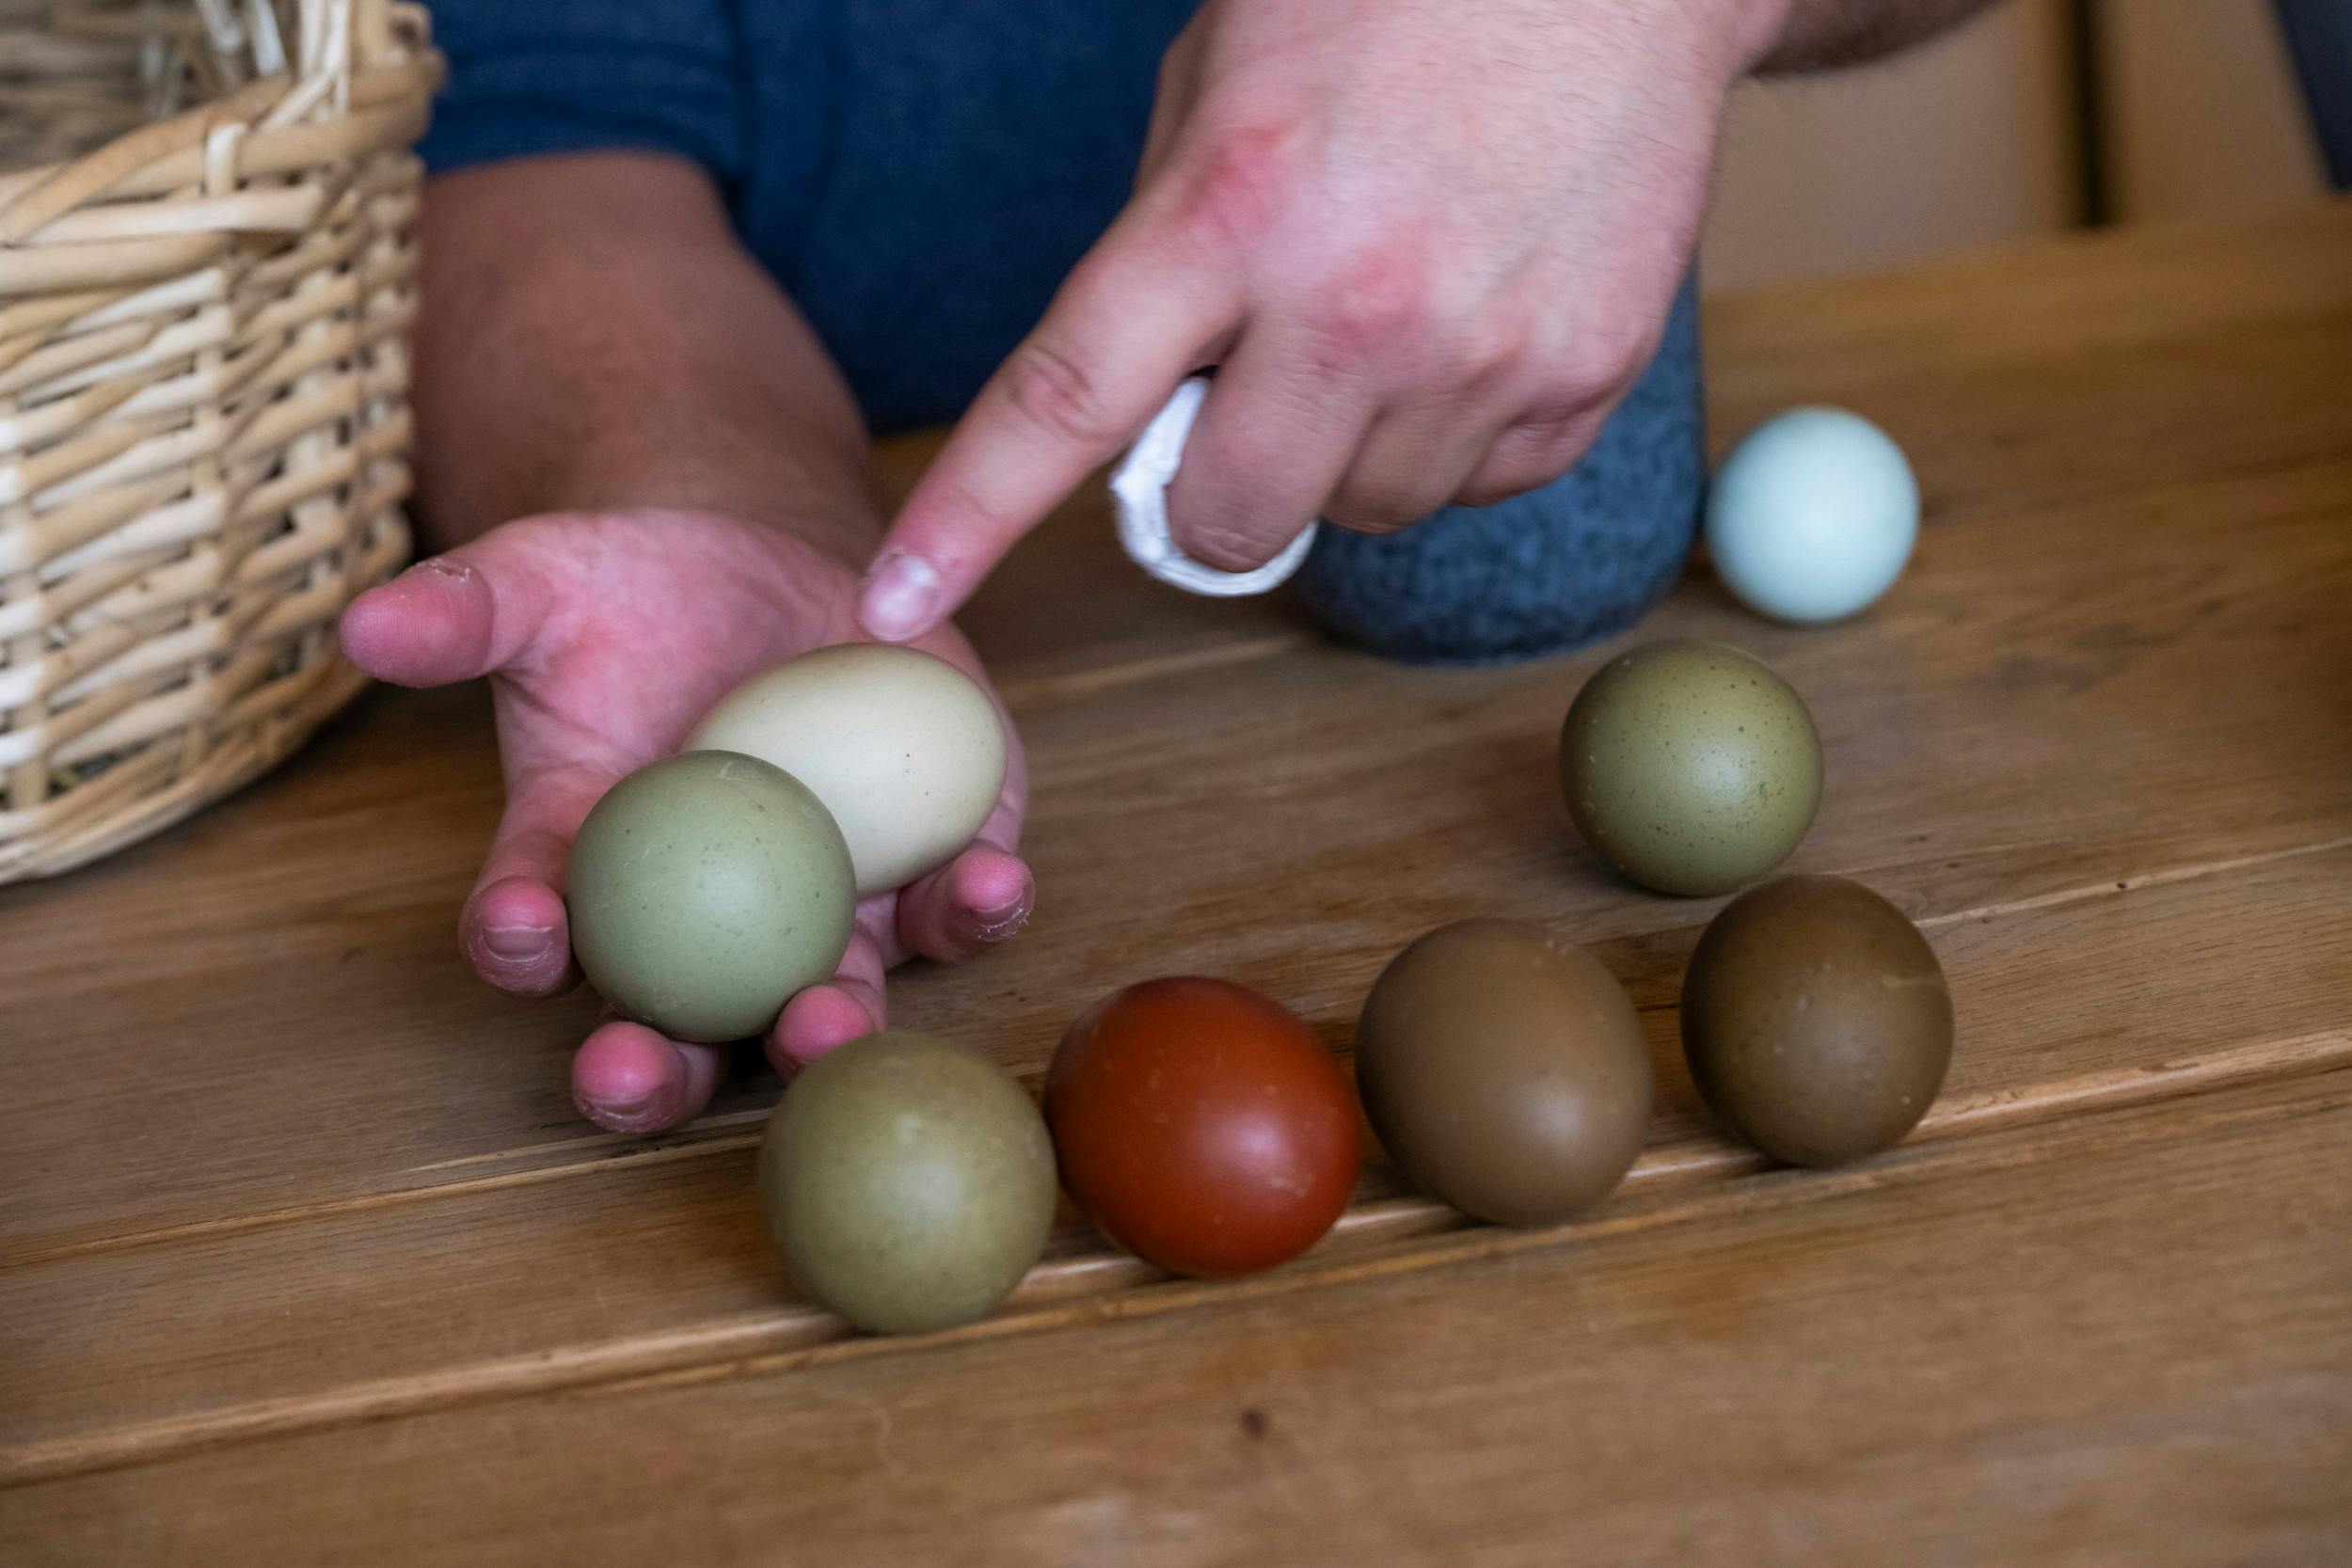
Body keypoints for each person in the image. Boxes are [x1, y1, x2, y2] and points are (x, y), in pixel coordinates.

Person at [340, 0, 1994, 1133]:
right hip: (882, 482)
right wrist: (707, 488)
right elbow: (542, 118)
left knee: (1532, 563)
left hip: (1347, 606)